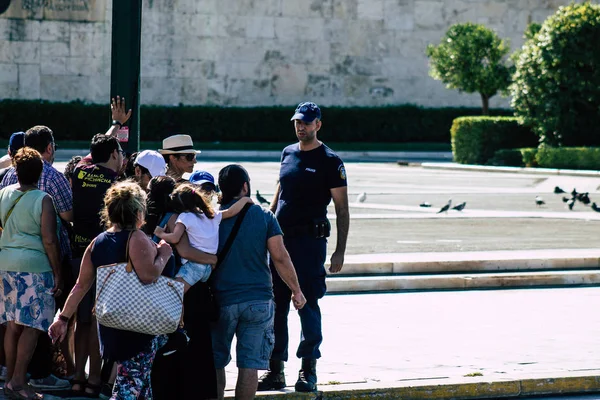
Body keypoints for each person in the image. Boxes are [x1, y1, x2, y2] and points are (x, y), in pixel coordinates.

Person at [49, 181, 173, 399]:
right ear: (137, 211)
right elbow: (149, 274)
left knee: (137, 381)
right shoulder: (136, 237)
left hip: (111, 323)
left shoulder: (98, 242)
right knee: (132, 382)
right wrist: (164, 253)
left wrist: (63, 318)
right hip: (138, 323)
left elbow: (81, 285)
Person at [259, 102, 350, 393]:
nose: (301, 127)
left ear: (318, 125)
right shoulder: (287, 153)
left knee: (307, 304)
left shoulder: (330, 160)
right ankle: (276, 370)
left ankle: (308, 368)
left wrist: (339, 251)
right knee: (277, 307)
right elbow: (278, 195)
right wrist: (265, 230)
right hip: (281, 243)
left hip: (310, 245)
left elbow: (342, 209)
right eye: (298, 122)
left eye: (307, 123)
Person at [210, 164, 307, 400]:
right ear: (245, 187)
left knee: (216, 362)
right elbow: (280, 257)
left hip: (221, 300)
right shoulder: (264, 217)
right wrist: (296, 290)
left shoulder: (212, 218)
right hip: (258, 302)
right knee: (249, 364)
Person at [0, 125, 73, 391]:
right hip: (35, 267)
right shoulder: (43, 199)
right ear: (40, 170)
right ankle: (20, 380)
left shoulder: (3, 192)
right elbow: (50, 241)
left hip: (5, 265)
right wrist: (58, 273)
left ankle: (9, 378)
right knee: (32, 325)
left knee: (11, 326)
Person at [70, 134, 125, 397]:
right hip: (102, 256)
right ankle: (94, 379)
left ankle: (78, 377)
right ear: (114, 154)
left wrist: (114, 128)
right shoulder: (116, 183)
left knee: (81, 321)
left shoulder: (80, 171)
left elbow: (93, 153)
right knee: (94, 321)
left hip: (76, 251)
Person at [154, 183, 253, 293]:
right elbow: (231, 211)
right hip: (209, 268)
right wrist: (245, 200)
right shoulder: (211, 215)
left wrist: (160, 233)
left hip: (194, 266)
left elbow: (175, 238)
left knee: (173, 294)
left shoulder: (184, 217)